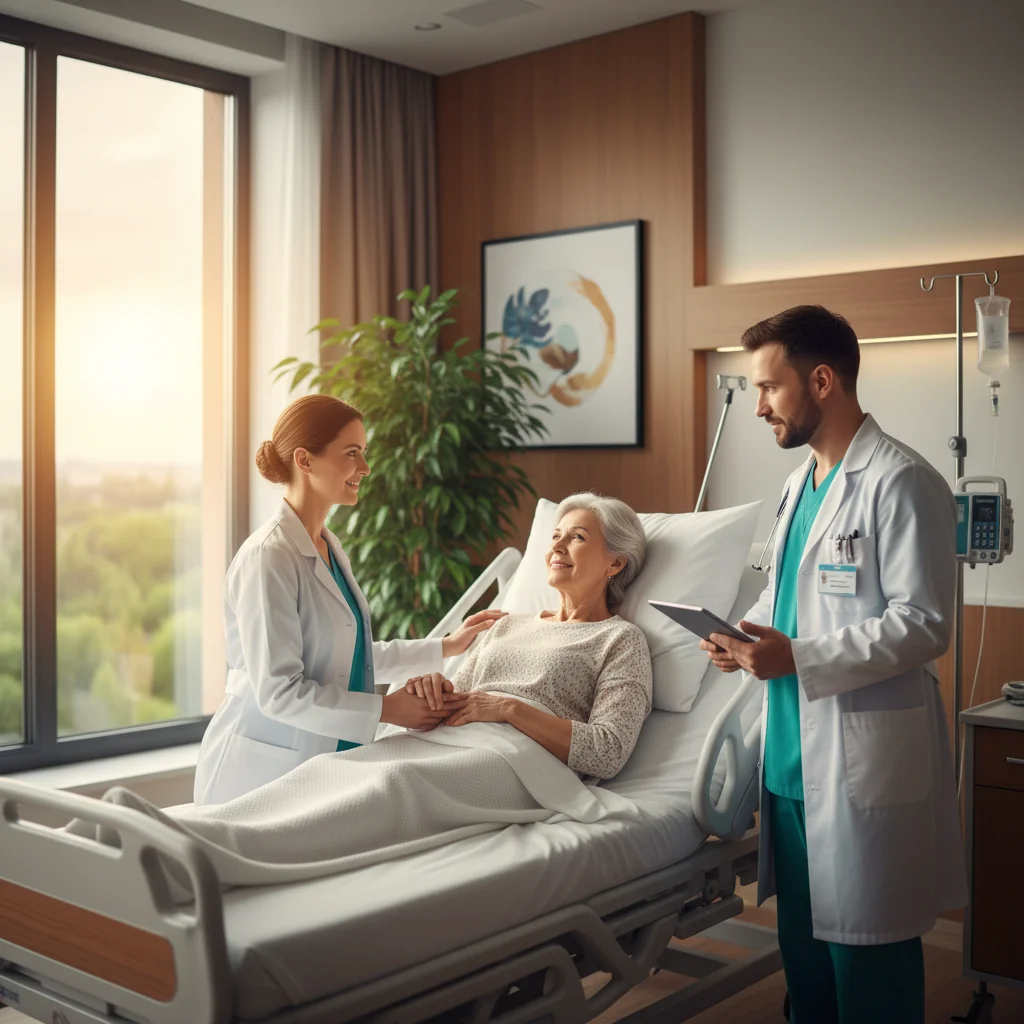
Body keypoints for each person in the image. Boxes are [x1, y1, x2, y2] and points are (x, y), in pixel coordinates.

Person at [700, 306, 965, 1024]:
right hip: (789, 773)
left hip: (859, 771)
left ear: (822, 381)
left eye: (768, 388)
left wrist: (798, 655)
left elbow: (925, 624)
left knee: (868, 966)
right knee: (808, 970)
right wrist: (744, 638)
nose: (757, 407)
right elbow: (784, 597)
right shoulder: (798, 486)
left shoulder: (903, 482)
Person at [194, 394, 502, 806]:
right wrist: (386, 709)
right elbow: (280, 692)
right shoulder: (270, 556)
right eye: (352, 453)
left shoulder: (327, 546)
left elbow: (347, 656)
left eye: (364, 453)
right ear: (305, 460)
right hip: (262, 771)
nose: (366, 468)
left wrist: (448, 645)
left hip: (325, 761)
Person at [407, 492, 654, 778]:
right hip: (447, 746)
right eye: (555, 536)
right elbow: (458, 706)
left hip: (513, 764)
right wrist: (432, 692)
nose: (557, 547)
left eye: (577, 538)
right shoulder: (506, 625)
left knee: (393, 783)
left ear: (615, 564)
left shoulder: (620, 639)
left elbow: (607, 752)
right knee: (361, 770)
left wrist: (509, 709)